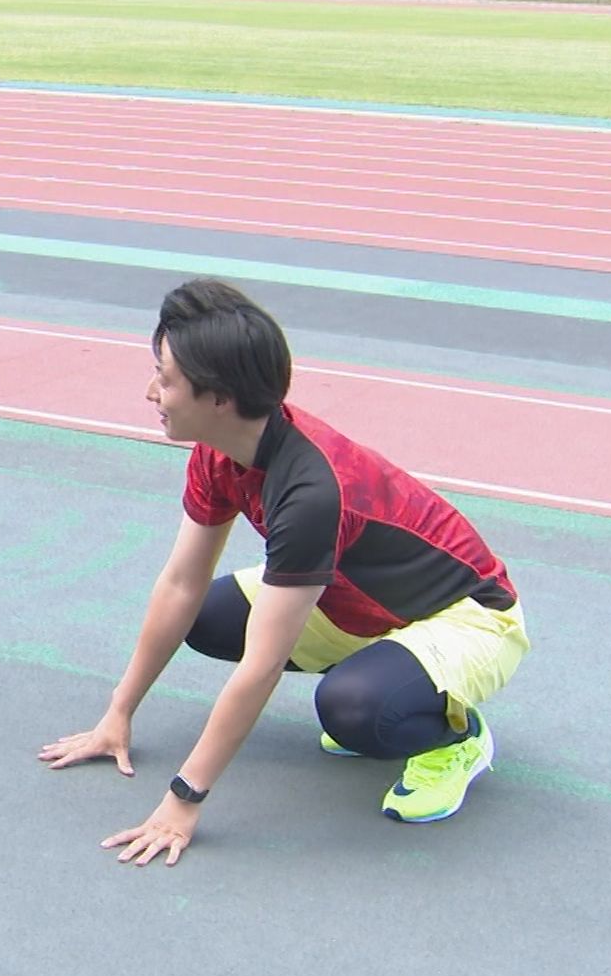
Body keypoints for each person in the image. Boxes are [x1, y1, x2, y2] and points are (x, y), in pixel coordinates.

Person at [39, 279, 529, 865]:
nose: (151, 392)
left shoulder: (311, 492)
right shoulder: (220, 450)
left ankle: (455, 738)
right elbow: (181, 584)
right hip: (361, 604)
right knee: (207, 615)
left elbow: (263, 665)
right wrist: (117, 714)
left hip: (471, 618)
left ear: (220, 397)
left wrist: (183, 799)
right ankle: (386, 675)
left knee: (353, 710)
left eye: (165, 380)